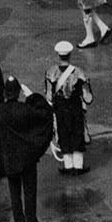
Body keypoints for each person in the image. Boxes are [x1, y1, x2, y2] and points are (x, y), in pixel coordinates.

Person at [0, 77, 52, 222]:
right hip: (27, 158)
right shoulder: (24, 109)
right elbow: (44, 115)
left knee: (15, 193)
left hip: (9, 159)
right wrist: (33, 97)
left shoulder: (0, 111)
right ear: (18, 92)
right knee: (29, 191)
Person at [45, 40, 93, 174]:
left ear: (58, 55)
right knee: (78, 133)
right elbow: (88, 97)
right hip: (75, 108)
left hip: (60, 109)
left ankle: (68, 166)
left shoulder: (51, 72)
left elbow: (49, 96)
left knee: (63, 133)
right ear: (70, 55)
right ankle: (78, 166)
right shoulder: (79, 72)